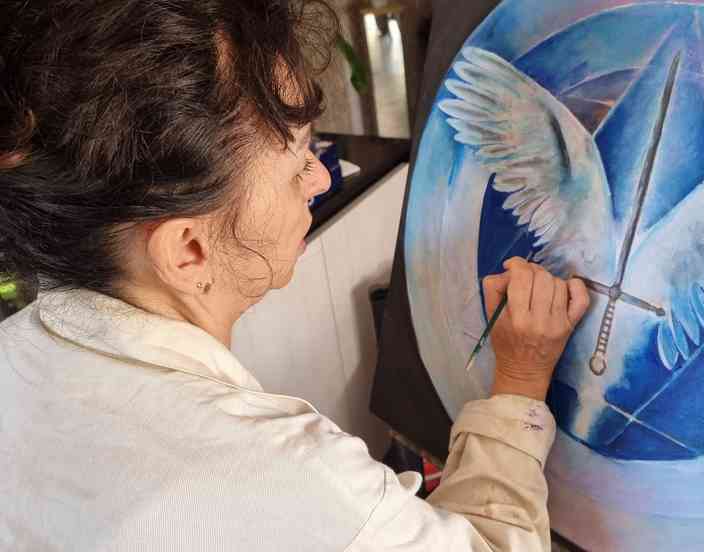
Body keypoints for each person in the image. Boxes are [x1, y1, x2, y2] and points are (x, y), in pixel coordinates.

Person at [0, 1, 589, 550]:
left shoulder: (17, 353)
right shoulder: (289, 481)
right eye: (296, 162)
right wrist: (520, 379)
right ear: (189, 252)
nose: (321, 178)